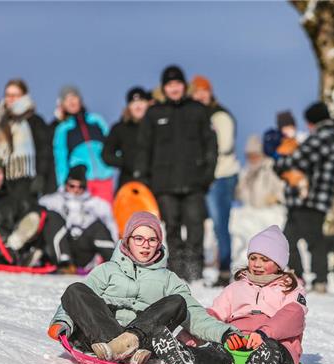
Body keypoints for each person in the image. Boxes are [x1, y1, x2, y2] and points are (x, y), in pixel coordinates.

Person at [46, 211, 236, 364]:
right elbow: (79, 303)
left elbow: (195, 313)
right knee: (75, 290)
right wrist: (63, 322)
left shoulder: (169, 279)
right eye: (138, 238)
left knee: (177, 302)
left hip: (144, 340)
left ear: (159, 244)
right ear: (127, 240)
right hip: (100, 337)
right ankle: (120, 348)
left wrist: (225, 333)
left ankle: (129, 345)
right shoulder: (107, 270)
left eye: (152, 240)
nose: (145, 245)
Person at [133, 65, 217, 281]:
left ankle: (194, 269)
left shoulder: (197, 110)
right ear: (164, 88)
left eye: (178, 84)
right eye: (170, 85)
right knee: (172, 228)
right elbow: (144, 148)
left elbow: (210, 144)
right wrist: (143, 179)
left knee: (195, 226)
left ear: (184, 86)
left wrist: (208, 174)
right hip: (164, 183)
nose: (174, 88)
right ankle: (177, 270)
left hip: (194, 182)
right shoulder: (154, 113)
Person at [208, 225, 307, 364]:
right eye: (253, 258)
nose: (257, 264)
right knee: (213, 347)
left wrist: (263, 333)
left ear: (279, 263)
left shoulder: (290, 289)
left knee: (272, 350)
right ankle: (190, 358)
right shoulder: (236, 287)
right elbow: (215, 313)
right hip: (237, 345)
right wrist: (223, 334)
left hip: (273, 344)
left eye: (265, 259)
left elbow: (293, 316)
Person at [274, 102, 334, 293]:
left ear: (315, 121)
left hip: (310, 200)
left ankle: (314, 279)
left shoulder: (324, 137)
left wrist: (280, 163)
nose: (308, 127)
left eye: (309, 122)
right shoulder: (329, 135)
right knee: (291, 240)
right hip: (310, 200)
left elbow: (300, 158)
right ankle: (302, 277)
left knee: (309, 241)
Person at [190, 75, 241, 286]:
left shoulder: (219, 116)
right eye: (196, 91)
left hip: (221, 175)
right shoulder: (196, 115)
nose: (201, 94)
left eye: (204, 90)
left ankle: (223, 269)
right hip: (204, 176)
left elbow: (224, 145)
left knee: (220, 224)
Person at [0, 79, 52, 208]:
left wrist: (41, 175)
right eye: (8, 95)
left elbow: (44, 150)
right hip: (1, 177)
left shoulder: (34, 121)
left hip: (26, 177)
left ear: (24, 96)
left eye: (15, 95)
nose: (11, 99)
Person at [39, 165, 118, 272]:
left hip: (83, 251)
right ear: (66, 184)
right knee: (52, 217)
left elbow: (111, 227)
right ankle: (64, 262)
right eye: (72, 186)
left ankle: (116, 265)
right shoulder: (51, 201)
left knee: (97, 226)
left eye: (80, 187)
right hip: (59, 248)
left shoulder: (97, 204)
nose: (75, 190)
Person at [52, 86, 115, 202]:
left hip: (105, 178)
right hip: (81, 183)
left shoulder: (96, 120)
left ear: (80, 99)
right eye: (67, 99)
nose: (71, 102)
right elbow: (60, 159)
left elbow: (112, 143)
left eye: (74, 97)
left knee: (106, 214)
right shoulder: (63, 129)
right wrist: (62, 183)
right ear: (62, 105)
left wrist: (112, 164)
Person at [102, 86, 151, 191]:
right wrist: (126, 162)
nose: (138, 106)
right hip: (127, 183)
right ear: (128, 106)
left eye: (141, 102)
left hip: (153, 182)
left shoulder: (156, 126)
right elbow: (106, 155)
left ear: (147, 104)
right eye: (134, 103)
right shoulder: (120, 128)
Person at [236, 135, 285, 208]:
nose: (253, 159)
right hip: (250, 214)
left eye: (255, 155)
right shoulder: (245, 173)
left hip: (271, 213)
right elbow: (237, 194)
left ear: (261, 154)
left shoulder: (271, 168)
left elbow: (282, 188)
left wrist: (276, 198)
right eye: (249, 156)